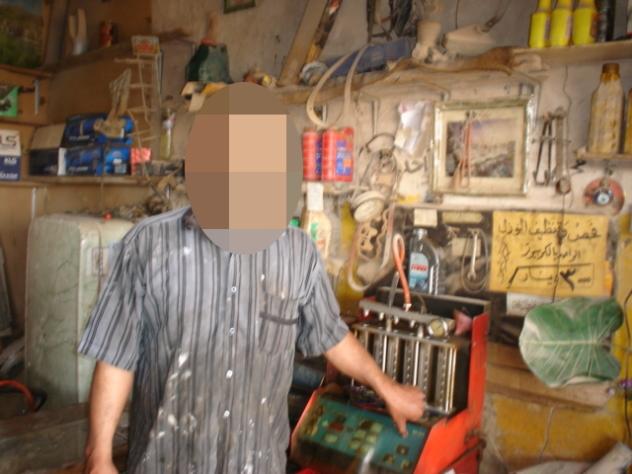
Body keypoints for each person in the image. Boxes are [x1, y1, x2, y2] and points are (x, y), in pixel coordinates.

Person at [80, 84, 425, 474]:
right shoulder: (148, 244)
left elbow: (330, 335)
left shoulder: (297, 252)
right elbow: (116, 355)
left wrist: (386, 388)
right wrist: (99, 456)